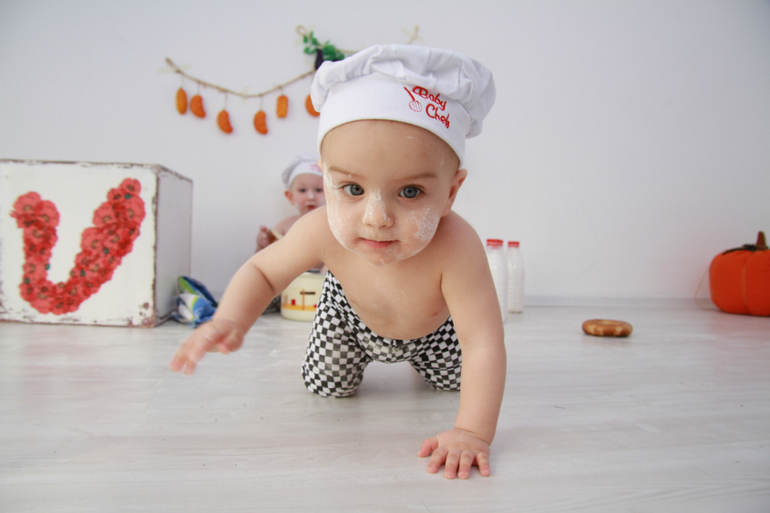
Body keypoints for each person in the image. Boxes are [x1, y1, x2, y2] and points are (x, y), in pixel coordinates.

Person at [170, 44, 506, 480]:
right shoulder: (319, 229)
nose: (376, 218)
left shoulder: (458, 247)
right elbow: (263, 271)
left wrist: (472, 431)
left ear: (451, 192)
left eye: (410, 192)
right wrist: (232, 317)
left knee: (458, 383)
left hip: (434, 331)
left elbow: (482, 343)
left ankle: (427, 365)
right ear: (326, 178)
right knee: (326, 386)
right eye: (352, 189)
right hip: (347, 320)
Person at [255, 154, 325, 253]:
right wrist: (262, 245)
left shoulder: (335, 225)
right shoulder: (284, 226)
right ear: (290, 196)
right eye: (302, 190)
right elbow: (263, 258)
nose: (311, 197)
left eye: (318, 190)